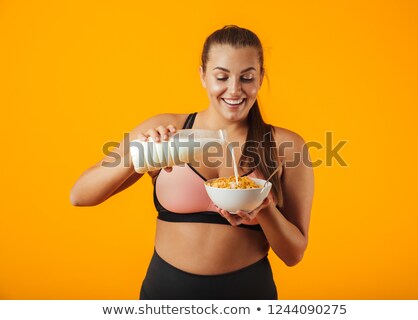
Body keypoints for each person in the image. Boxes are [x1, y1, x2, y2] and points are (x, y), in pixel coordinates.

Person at [70, 25, 314, 300]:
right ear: (203, 76)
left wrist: (264, 209)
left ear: (260, 78)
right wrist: (140, 153)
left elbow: (294, 254)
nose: (234, 90)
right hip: (164, 296)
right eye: (222, 77)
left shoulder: (288, 146)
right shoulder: (167, 129)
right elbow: (80, 196)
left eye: (247, 77)